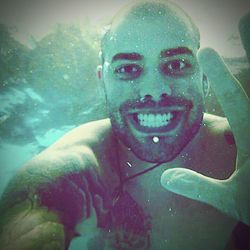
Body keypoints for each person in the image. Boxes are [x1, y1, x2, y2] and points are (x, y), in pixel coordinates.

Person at [0, 1, 249, 249]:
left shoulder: (240, 152)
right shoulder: (79, 171)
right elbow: (29, 220)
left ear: (204, 79)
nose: (154, 91)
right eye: (128, 68)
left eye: (177, 64)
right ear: (102, 82)